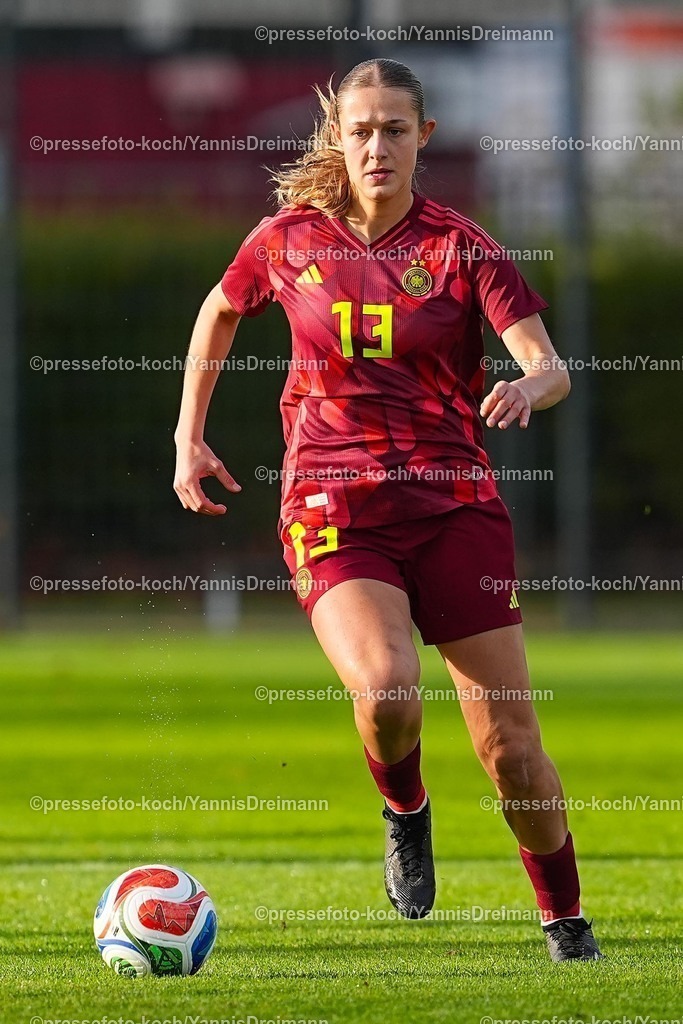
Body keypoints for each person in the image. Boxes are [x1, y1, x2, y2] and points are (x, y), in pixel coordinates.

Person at [173, 57, 603, 963]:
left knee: (512, 751)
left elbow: (550, 363)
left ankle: (564, 920)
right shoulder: (287, 240)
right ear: (337, 135)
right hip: (332, 499)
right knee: (386, 690)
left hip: (453, 504)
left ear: (424, 139)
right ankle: (405, 806)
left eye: (394, 129)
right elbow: (219, 311)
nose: (376, 145)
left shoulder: (461, 247)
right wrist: (190, 435)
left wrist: (532, 385)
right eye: (360, 129)